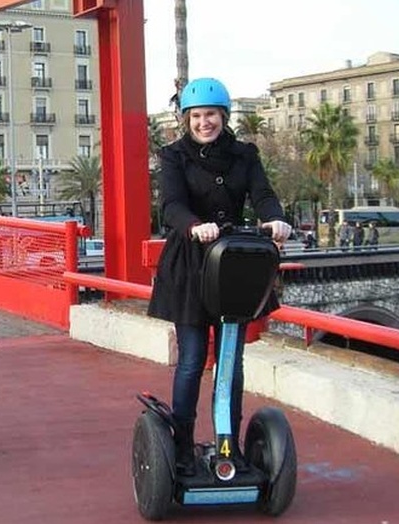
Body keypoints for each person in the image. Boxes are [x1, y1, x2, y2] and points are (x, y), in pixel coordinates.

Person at [146, 78, 292, 476]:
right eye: (197, 116)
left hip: (234, 263)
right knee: (193, 359)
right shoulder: (174, 155)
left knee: (232, 360)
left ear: (224, 117)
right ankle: (181, 446)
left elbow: (262, 194)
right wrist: (194, 225)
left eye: (211, 114)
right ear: (186, 119)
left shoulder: (244, 154)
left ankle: (230, 444)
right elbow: (171, 204)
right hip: (192, 264)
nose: (204, 122)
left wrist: (275, 218)